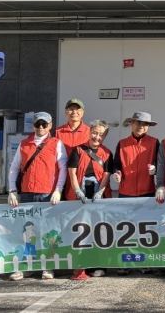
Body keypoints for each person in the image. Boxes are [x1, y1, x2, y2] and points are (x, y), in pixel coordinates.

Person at [7, 111, 67, 281]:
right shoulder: (24, 144)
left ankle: (48, 266)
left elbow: (63, 168)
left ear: (50, 125)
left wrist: (58, 190)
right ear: (33, 125)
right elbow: (14, 168)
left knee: (47, 230)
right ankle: (26, 267)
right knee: (26, 231)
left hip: (47, 194)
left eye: (44, 124)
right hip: (27, 193)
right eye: (38, 124)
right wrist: (12, 190)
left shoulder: (56, 143)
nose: (41, 127)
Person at [112, 111, 159, 276]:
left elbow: (160, 163)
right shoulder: (122, 143)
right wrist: (117, 173)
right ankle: (125, 262)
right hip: (126, 192)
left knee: (145, 229)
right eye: (138, 123)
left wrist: (155, 168)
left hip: (147, 191)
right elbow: (116, 164)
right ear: (131, 123)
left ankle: (145, 261)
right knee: (126, 229)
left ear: (148, 127)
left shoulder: (154, 142)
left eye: (145, 124)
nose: (141, 126)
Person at [66, 119, 113, 280]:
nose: (97, 137)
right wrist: (76, 190)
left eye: (101, 134)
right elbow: (72, 173)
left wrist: (101, 192)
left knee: (99, 230)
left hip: (98, 197)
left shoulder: (107, 153)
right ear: (89, 132)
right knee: (80, 230)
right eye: (94, 133)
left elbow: (107, 175)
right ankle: (80, 265)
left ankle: (99, 265)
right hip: (79, 196)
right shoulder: (78, 150)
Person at [55, 99, 90, 198]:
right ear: (66, 112)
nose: (74, 112)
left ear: (82, 112)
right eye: (71, 109)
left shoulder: (89, 132)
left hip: (81, 174)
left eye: (77, 109)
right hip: (62, 174)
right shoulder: (58, 132)